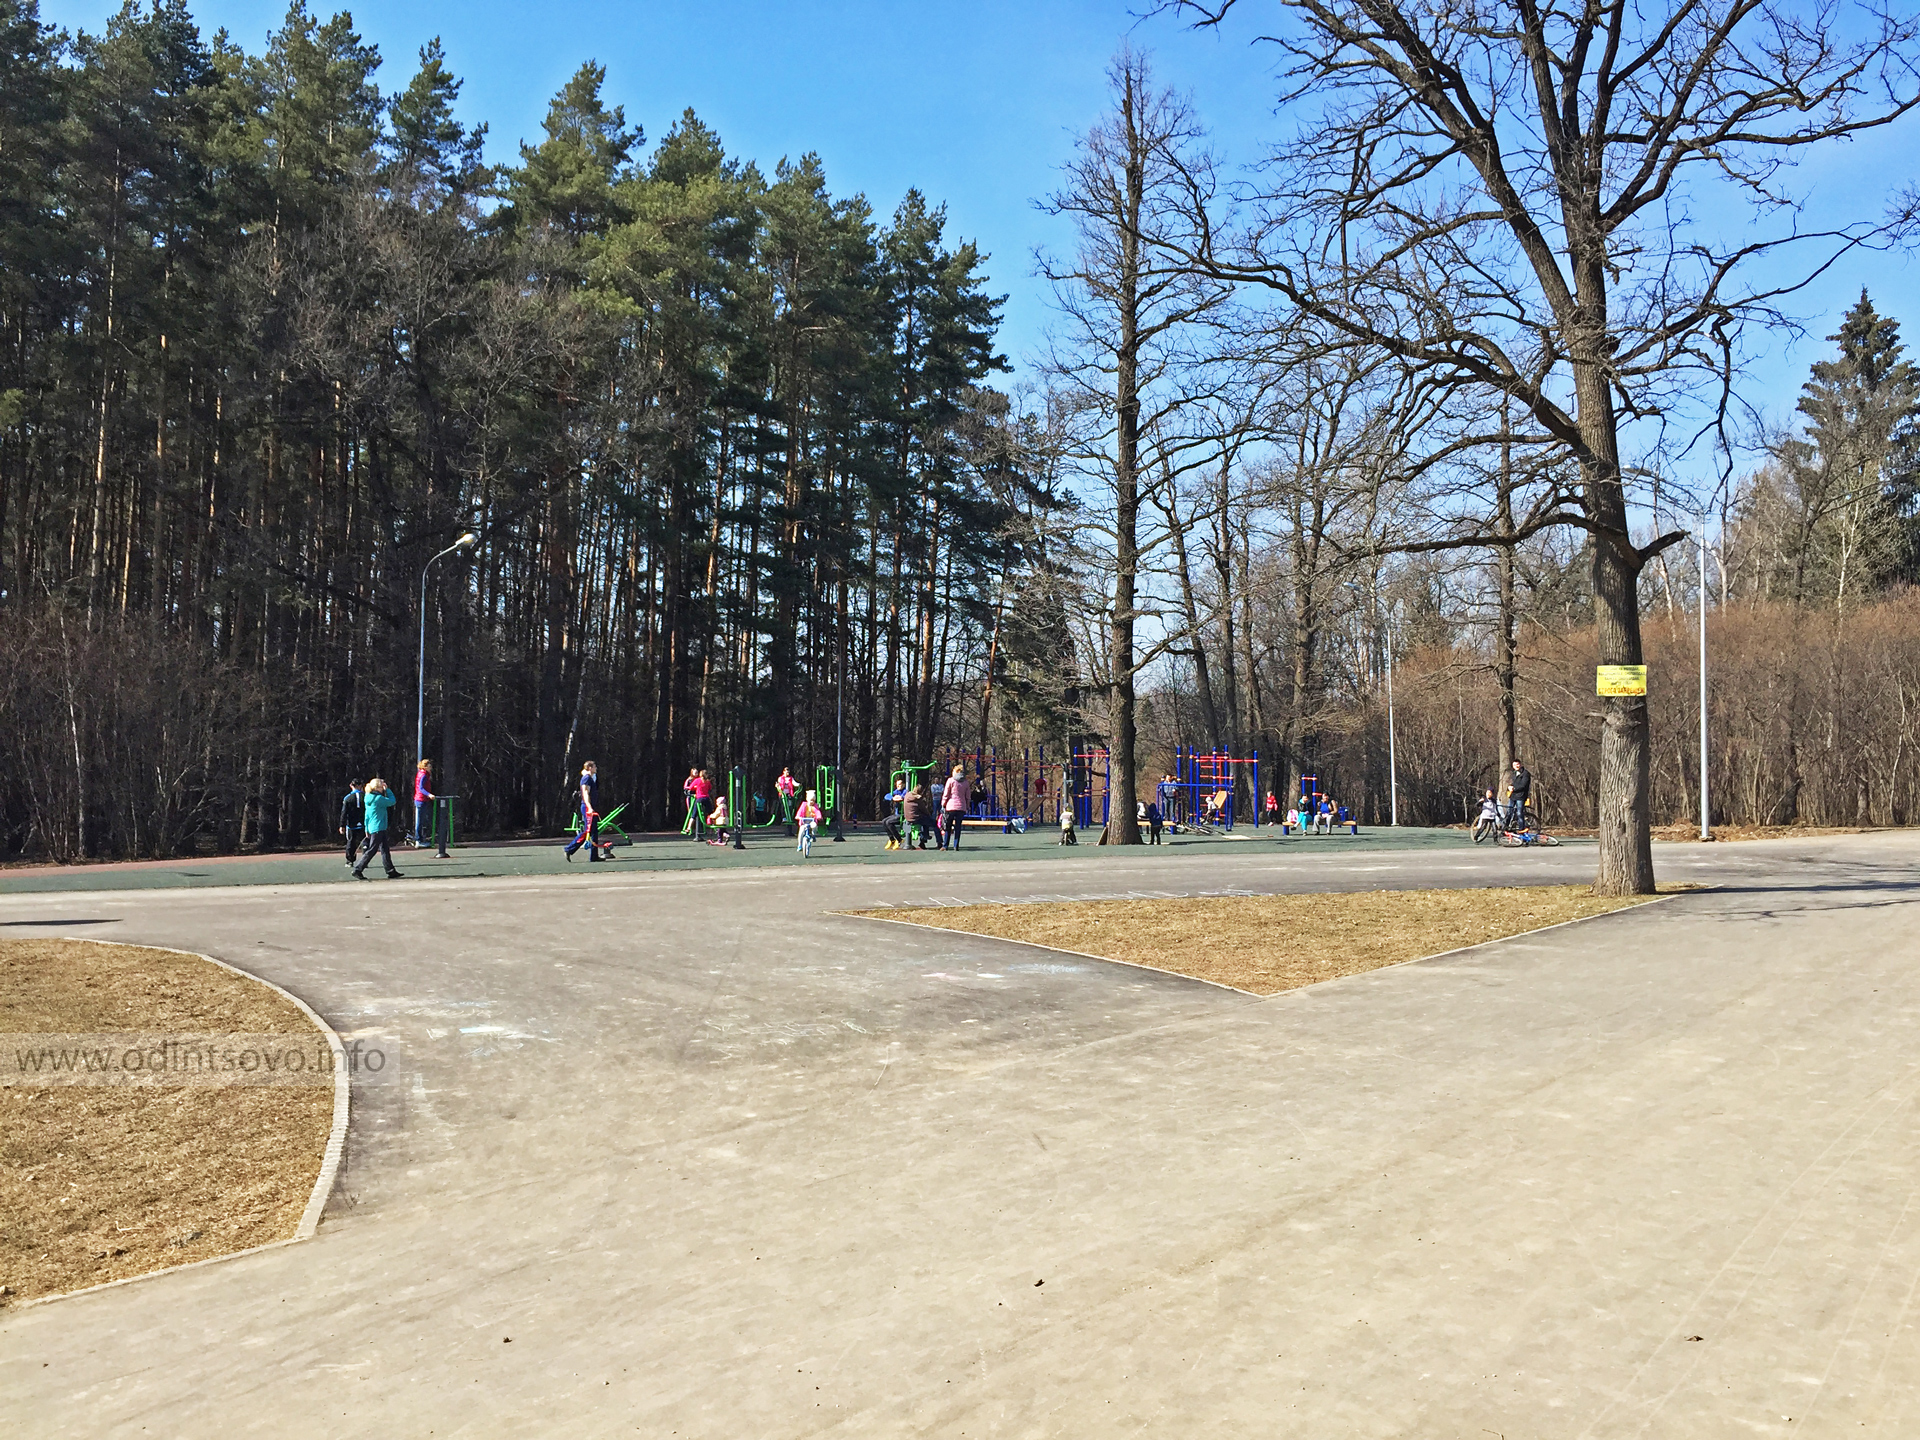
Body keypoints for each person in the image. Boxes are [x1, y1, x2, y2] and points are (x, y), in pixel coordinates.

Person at [351, 778, 402, 879]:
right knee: (373, 850)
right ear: (378, 787)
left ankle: (390, 870)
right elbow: (392, 801)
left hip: (374, 827)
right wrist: (388, 790)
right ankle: (358, 869)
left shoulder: (368, 797)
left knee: (385, 849)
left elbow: (367, 815)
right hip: (378, 827)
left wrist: (366, 828)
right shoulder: (379, 799)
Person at [564, 760, 612, 862]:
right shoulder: (586, 779)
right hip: (587, 808)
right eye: (594, 766)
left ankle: (594, 856)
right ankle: (569, 849)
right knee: (588, 831)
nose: (596, 768)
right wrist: (589, 807)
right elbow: (585, 793)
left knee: (594, 831)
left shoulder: (590, 778)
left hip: (591, 807)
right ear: (590, 768)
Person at [940, 766, 972, 851]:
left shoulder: (951, 780)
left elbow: (946, 794)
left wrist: (943, 804)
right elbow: (968, 796)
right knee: (958, 827)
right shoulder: (965, 782)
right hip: (961, 807)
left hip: (950, 806)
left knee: (948, 826)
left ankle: (945, 845)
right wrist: (967, 806)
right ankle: (956, 845)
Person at [339, 779, 366, 867]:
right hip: (364, 823)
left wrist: (342, 825)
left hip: (351, 824)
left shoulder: (347, 798)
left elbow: (344, 812)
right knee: (365, 842)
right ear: (360, 786)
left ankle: (350, 861)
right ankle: (365, 861)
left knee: (351, 842)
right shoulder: (365, 796)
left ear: (351, 786)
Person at [1504, 759, 1533, 832]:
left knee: (1519, 813)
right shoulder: (1514, 773)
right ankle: (1505, 829)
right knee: (1509, 812)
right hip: (1513, 796)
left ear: (1520, 764)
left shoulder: (1525, 774)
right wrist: (1509, 787)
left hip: (1521, 796)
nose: (1516, 766)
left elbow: (1523, 785)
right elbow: (1512, 783)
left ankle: (1521, 830)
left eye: (1517, 764)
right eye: (1514, 765)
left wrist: (1514, 788)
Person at [904, 782, 933, 850]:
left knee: (924, 821)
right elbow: (923, 809)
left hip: (907, 817)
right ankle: (924, 837)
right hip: (915, 817)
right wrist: (928, 814)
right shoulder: (918, 799)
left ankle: (924, 836)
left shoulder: (907, 795)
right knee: (928, 822)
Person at [412, 758, 434, 846]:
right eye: (429, 766)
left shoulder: (423, 774)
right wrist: (429, 794)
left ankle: (420, 839)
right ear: (425, 767)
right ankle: (418, 840)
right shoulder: (423, 775)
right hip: (420, 800)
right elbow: (420, 788)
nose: (430, 767)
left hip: (422, 799)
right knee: (419, 821)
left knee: (421, 820)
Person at [795, 789, 823, 857]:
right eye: (810, 800)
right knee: (801, 831)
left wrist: (819, 817)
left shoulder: (815, 806)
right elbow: (799, 812)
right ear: (807, 799)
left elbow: (817, 812)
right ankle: (800, 845)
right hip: (804, 821)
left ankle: (813, 835)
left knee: (814, 826)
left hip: (812, 821)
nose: (812, 802)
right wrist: (798, 816)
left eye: (813, 800)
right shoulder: (804, 805)